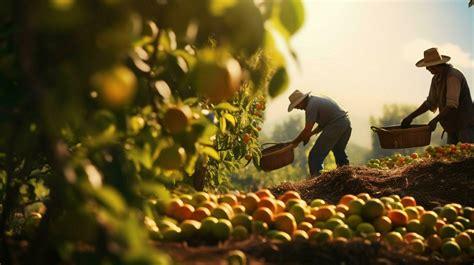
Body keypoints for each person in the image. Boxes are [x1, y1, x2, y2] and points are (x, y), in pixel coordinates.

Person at [401, 47, 474, 144]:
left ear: (436, 65)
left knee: (467, 156)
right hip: (451, 128)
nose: (427, 68)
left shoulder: (453, 76)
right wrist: (410, 117)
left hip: (465, 127)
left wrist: (435, 120)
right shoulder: (436, 79)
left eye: (428, 66)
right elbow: (430, 103)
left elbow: (452, 105)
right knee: (452, 156)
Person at [288, 90, 352, 176]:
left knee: (315, 156)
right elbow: (323, 124)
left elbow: (307, 129)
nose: (297, 108)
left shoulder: (311, 106)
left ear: (301, 101)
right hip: (345, 123)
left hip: (336, 125)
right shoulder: (315, 101)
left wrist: (294, 142)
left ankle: (317, 181)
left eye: (296, 105)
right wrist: (309, 135)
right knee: (339, 151)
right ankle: (346, 176)